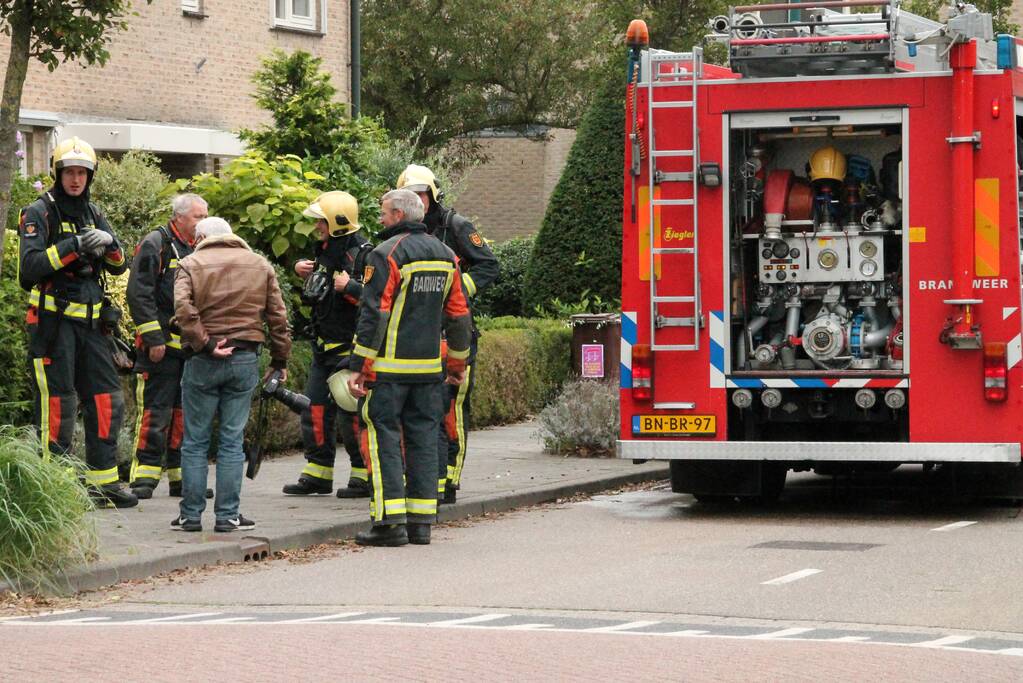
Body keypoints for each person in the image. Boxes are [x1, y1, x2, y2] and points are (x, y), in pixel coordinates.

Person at [348, 189, 472, 547]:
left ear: (400, 215)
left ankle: (389, 524)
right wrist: (457, 363)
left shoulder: (386, 254)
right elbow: (460, 314)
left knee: (383, 437)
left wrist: (359, 366)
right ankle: (421, 523)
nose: (381, 218)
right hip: (429, 371)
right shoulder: (446, 255)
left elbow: (375, 314)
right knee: (421, 440)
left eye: (385, 213)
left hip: (386, 372)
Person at [18, 136, 137, 508]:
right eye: (69, 172)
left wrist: (111, 244)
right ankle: (55, 490)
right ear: (58, 173)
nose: (75, 179)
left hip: (92, 327)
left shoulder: (93, 212)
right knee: (58, 406)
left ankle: (104, 484)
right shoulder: (38, 211)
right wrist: (74, 248)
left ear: (90, 176)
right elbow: (29, 269)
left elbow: (118, 265)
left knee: (107, 401)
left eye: (82, 173)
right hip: (52, 327)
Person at [172, 217, 291, 532]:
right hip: (243, 359)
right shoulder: (259, 265)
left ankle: (191, 515)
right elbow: (278, 317)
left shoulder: (190, 263)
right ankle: (227, 516)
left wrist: (206, 342)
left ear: (200, 237)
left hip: (202, 361)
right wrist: (280, 360)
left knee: (195, 441)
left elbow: (183, 309)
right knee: (231, 440)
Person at [396, 164, 498, 504]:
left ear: (433, 195)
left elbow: (489, 265)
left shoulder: (455, 225)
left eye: (422, 194)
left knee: (452, 410)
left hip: (454, 332)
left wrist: (457, 290)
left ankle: (450, 477)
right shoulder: (401, 232)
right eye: (412, 196)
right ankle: (432, 476)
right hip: (424, 335)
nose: (419, 201)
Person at [282, 191, 372, 499]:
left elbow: (375, 301)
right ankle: (318, 474)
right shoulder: (324, 250)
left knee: (352, 414)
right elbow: (318, 289)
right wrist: (301, 269)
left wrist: (351, 287)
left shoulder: (362, 254)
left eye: (321, 221)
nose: (317, 226)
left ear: (337, 222)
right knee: (315, 409)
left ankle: (363, 476)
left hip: (349, 347)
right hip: (323, 344)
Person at [126, 193, 213, 499]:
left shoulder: (200, 246)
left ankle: (181, 478)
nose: (202, 222)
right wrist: (153, 338)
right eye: (197, 217)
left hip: (189, 350)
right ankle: (144, 477)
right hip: (160, 348)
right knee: (155, 410)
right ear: (178, 218)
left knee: (184, 413)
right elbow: (139, 293)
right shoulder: (156, 243)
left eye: (205, 217)